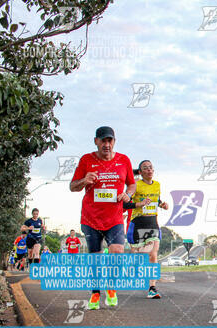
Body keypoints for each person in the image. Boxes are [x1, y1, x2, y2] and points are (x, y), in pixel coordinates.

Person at [70, 126, 136, 310]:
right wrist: (84, 180)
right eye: (103, 140)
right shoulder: (86, 160)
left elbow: (131, 184)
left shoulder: (124, 160)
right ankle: (95, 292)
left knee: (117, 251)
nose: (106, 144)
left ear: (114, 142)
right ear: (96, 141)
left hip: (114, 218)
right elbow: (72, 186)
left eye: (110, 140)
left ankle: (112, 288)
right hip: (91, 219)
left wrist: (128, 195)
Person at [124, 160, 169, 299]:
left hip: (152, 224)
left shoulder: (157, 185)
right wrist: (140, 203)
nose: (149, 170)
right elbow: (125, 204)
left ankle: (152, 288)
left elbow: (156, 199)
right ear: (140, 172)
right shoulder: (136, 185)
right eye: (145, 168)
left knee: (153, 254)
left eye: (151, 167)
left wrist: (162, 204)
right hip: (138, 224)